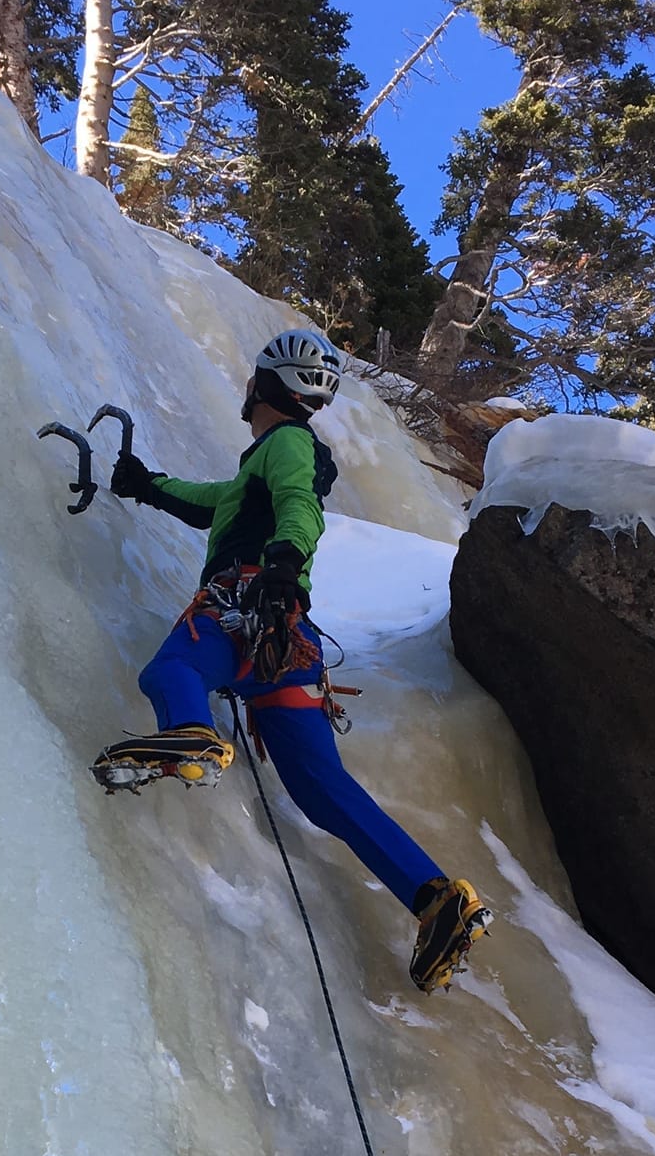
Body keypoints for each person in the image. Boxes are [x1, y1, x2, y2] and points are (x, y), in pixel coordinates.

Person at [92, 328, 493, 994]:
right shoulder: (263, 462)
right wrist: (148, 485)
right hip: (287, 648)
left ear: (267, 383)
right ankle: (436, 899)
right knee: (322, 789)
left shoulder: (288, 444)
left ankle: (192, 733)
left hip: (246, 607)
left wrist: (282, 564)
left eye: (253, 375)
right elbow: (215, 499)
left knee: (172, 673)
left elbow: (299, 506)